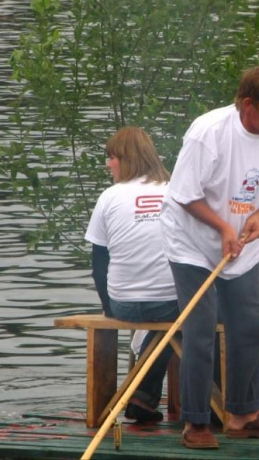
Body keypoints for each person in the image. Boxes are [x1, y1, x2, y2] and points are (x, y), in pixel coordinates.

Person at [160, 65, 259, 449]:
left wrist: (257, 215)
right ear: (248, 104)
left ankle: (243, 415)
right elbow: (184, 194)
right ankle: (196, 422)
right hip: (191, 242)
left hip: (242, 241)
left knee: (248, 327)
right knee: (201, 330)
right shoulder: (210, 132)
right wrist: (222, 228)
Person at [85, 126, 179, 423]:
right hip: (169, 303)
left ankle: (144, 398)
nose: (107, 164)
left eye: (111, 157)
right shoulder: (174, 192)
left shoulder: (109, 197)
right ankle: (202, 404)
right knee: (196, 311)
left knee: (169, 319)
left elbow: (99, 262)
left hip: (123, 303)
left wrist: (109, 306)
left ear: (126, 159)